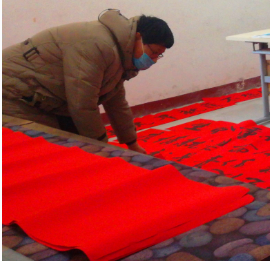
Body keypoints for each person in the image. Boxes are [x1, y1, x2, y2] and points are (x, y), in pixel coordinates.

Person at [3, 9, 174, 153]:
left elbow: (116, 102)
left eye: (159, 55)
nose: (154, 60)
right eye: (154, 52)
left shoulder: (121, 52)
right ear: (138, 38)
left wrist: (132, 143)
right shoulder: (98, 46)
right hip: (13, 92)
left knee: (77, 145)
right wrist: (102, 148)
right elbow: (82, 104)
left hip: (48, 99)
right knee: (48, 153)